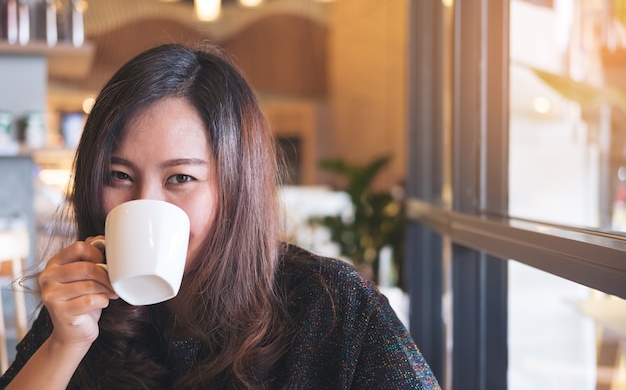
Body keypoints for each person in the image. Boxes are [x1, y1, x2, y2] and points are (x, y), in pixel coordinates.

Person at [0, 43, 441, 390]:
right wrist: (65, 343)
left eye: (181, 178)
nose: (144, 203)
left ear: (235, 185)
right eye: (119, 175)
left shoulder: (331, 306)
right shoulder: (85, 309)